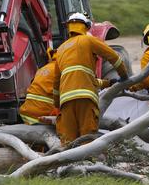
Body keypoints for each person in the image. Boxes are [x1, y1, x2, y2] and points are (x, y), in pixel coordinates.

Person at [53, 13, 129, 144]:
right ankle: (88, 164)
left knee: (67, 142)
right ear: (86, 27)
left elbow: (56, 83)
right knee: (87, 139)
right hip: (85, 99)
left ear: (68, 27)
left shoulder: (60, 49)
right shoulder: (88, 40)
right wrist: (124, 76)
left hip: (66, 101)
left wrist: (56, 103)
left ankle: (67, 164)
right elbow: (114, 57)